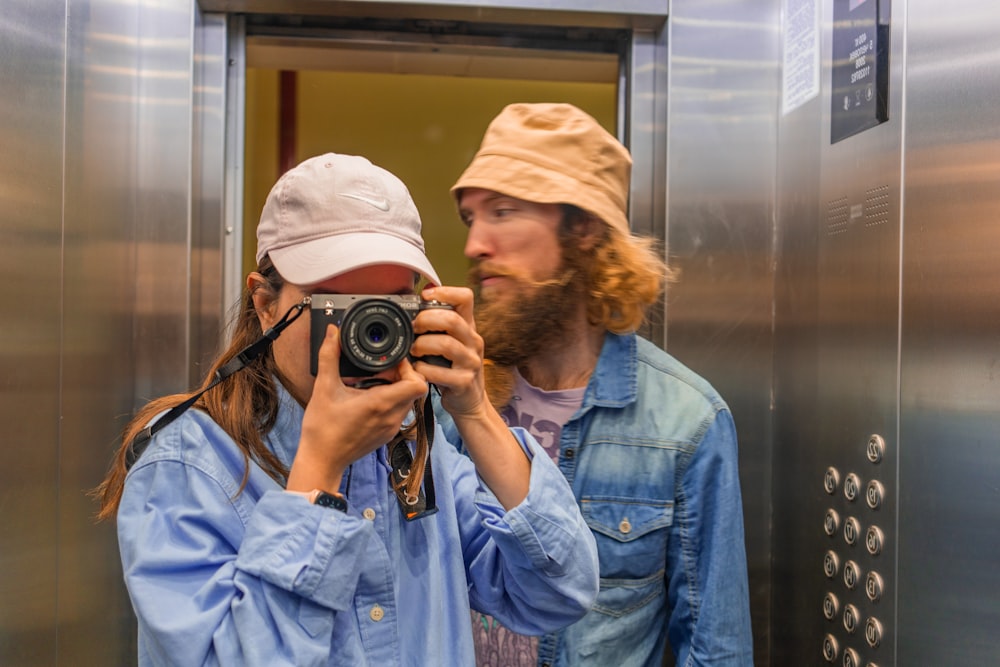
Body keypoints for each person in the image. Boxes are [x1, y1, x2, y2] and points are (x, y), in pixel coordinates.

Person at [93, 152, 599, 666]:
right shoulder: (189, 464)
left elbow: (559, 593)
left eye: (392, 305)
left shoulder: (415, 443)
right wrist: (319, 471)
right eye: (335, 303)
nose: (368, 332)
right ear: (265, 302)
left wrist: (474, 411)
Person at [436, 103, 754, 666]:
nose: (475, 245)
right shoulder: (446, 400)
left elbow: (714, 646)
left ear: (583, 228)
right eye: (471, 218)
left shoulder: (685, 422)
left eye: (504, 211)